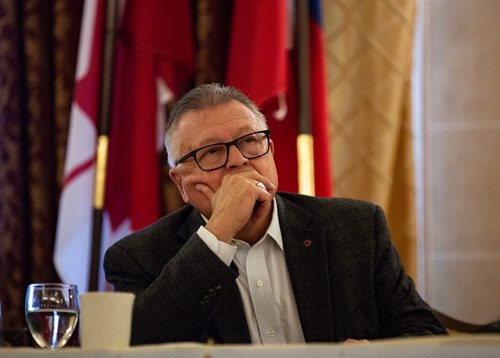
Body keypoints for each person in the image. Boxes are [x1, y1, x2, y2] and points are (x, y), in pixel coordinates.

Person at [104, 83, 446, 345]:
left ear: (271, 151)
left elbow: (424, 334)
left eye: (250, 141)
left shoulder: (356, 228)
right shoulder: (139, 257)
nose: (239, 160)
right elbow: (142, 346)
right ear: (182, 183)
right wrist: (219, 231)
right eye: (211, 152)